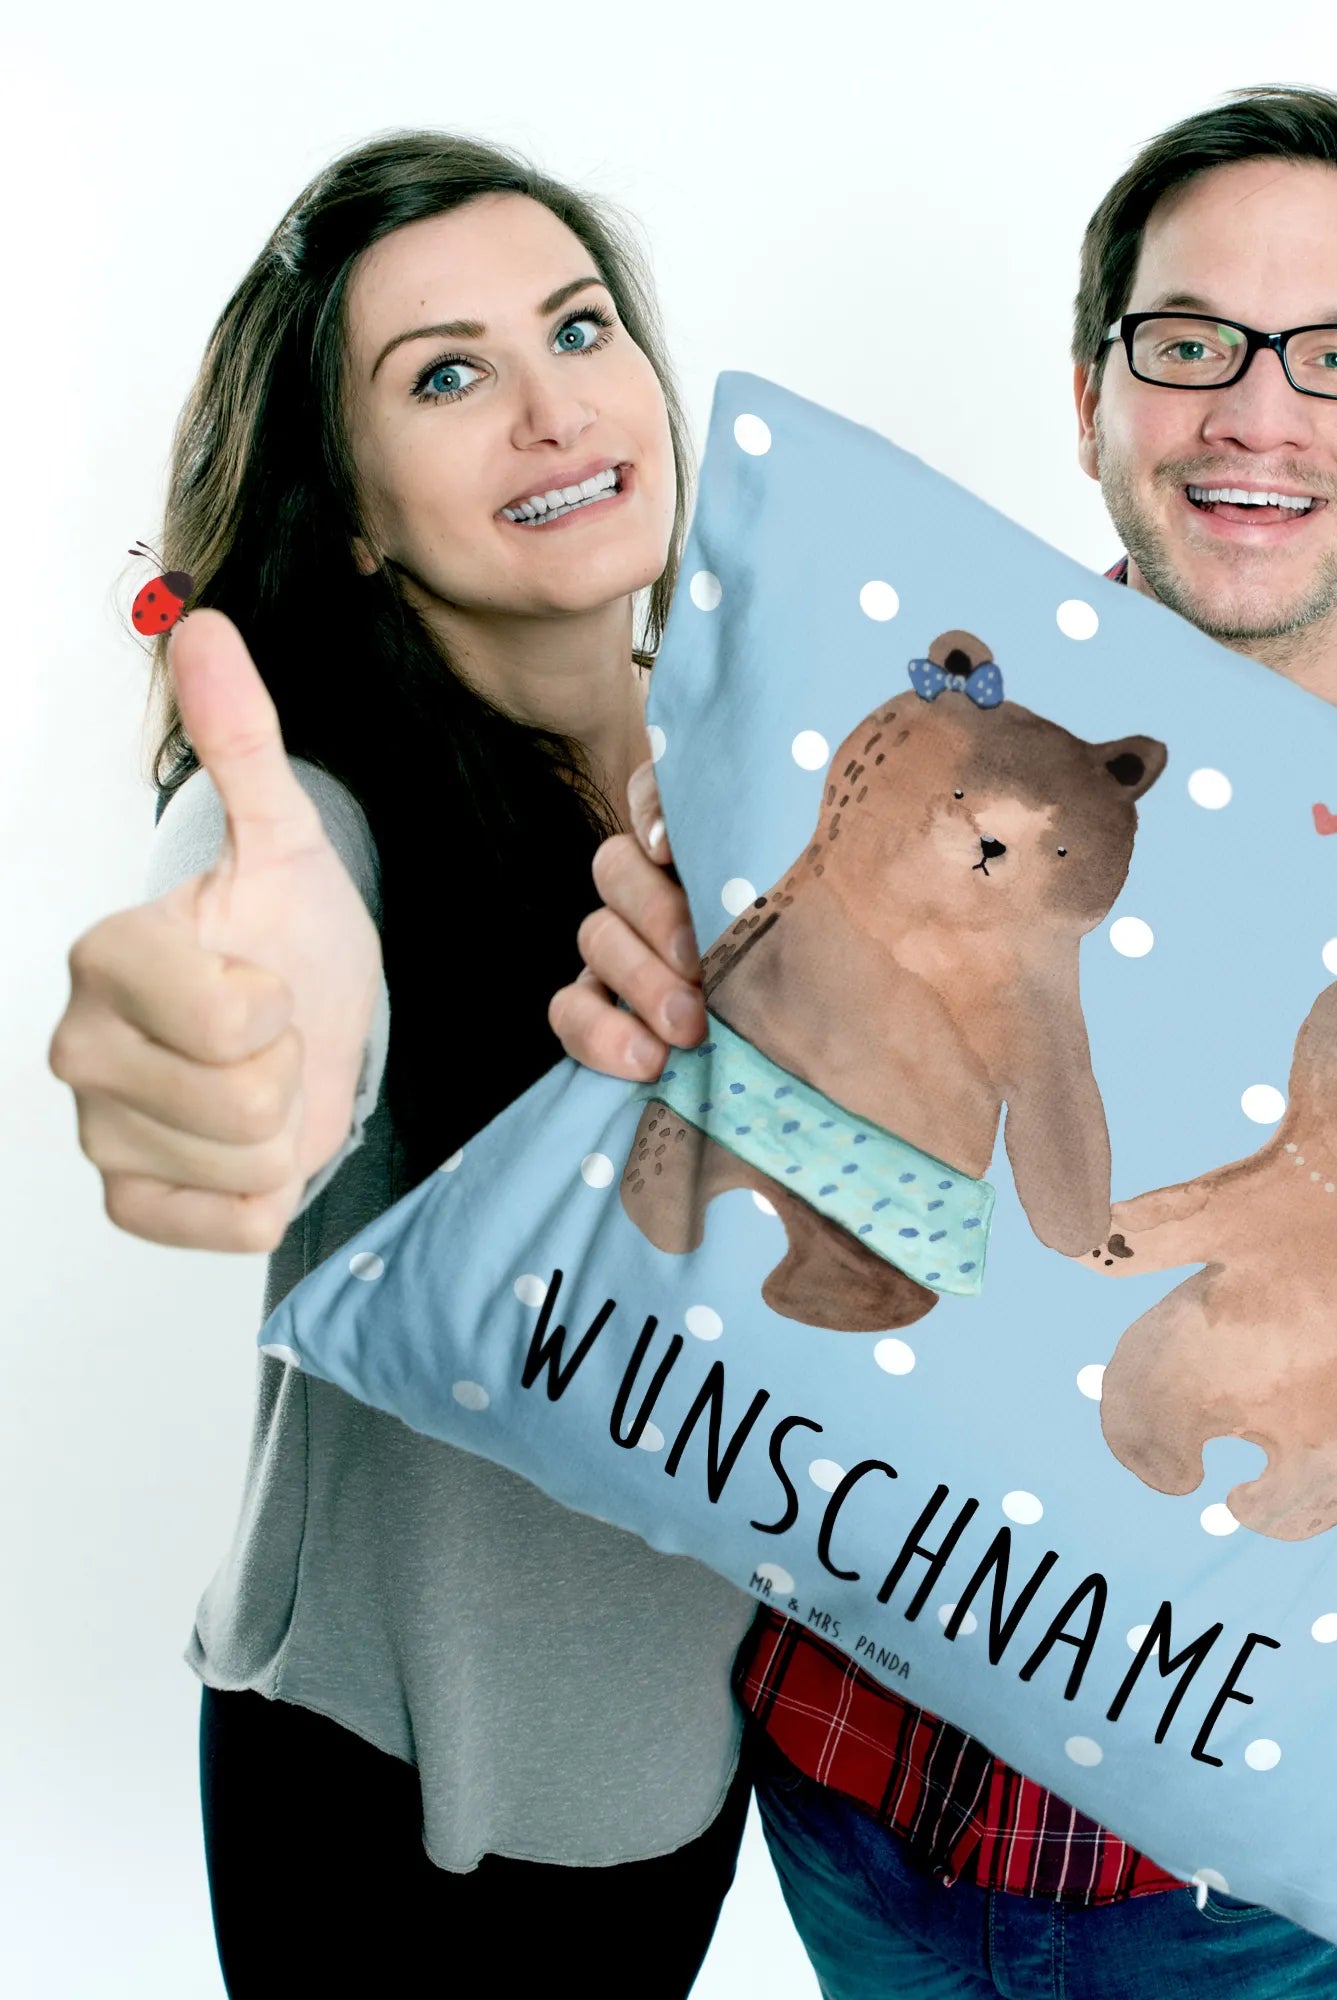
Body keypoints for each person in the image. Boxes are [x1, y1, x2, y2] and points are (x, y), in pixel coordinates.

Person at [552, 87, 1337, 1998]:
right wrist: (647, 1027)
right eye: (1190, 344)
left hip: (1223, 1893)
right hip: (837, 1804)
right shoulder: (864, 726)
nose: (1259, 412)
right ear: (1091, 398)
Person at [47, 135, 754, 1995]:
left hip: (683, 1770)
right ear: (354, 513)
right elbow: (263, 931)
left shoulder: (766, 774)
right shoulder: (319, 809)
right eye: (445, 375)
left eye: (578, 329)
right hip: (392, 1802)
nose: (551, 408)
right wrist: (231, 1035)